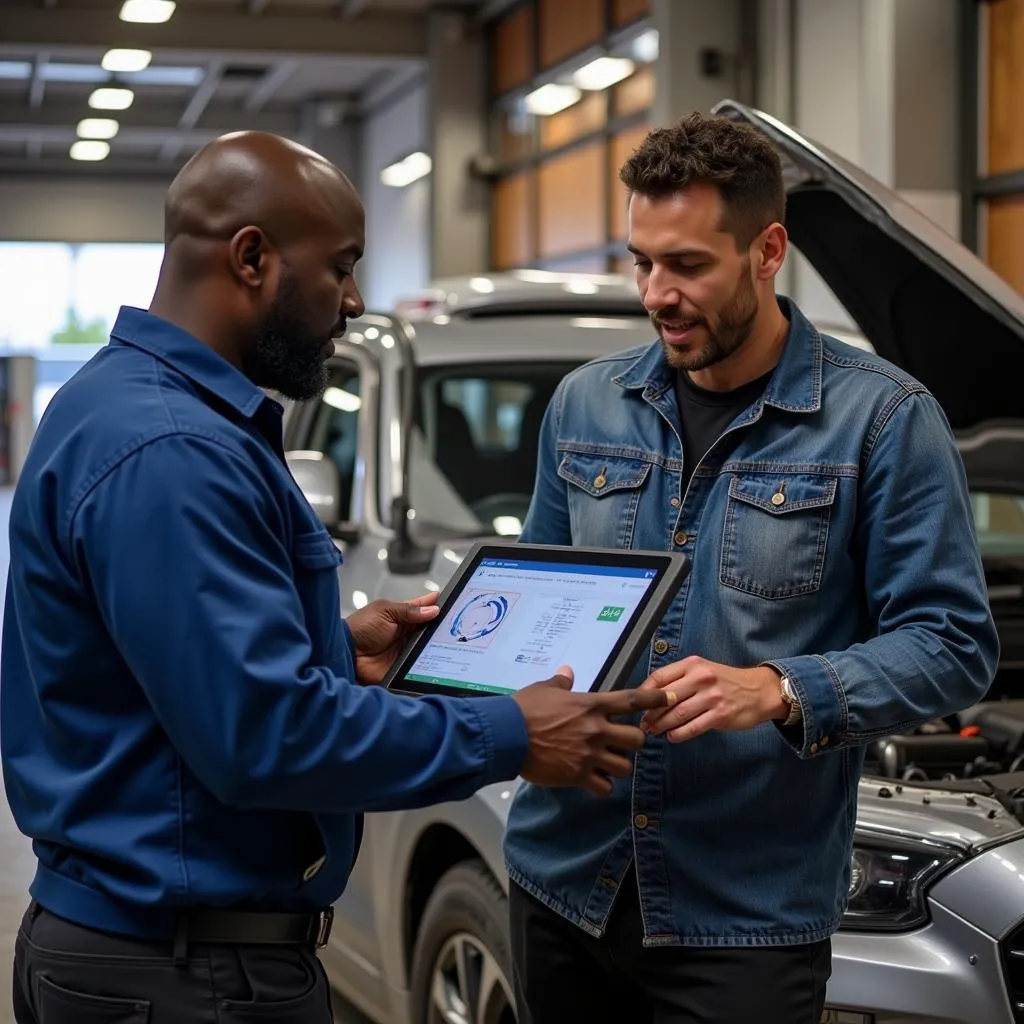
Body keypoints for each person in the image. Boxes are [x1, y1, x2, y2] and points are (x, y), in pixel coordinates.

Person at [0, 131, 669, 1024]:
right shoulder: (175, 450)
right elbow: (263, 739)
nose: (353, 300)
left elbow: (166, 674)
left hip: (162, 955)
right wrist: (509, 733)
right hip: (181, 974)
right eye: (341, 267)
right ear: (251, 258)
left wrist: (328, 646)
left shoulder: (123, 404)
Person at [504, 112, 1000, 1024]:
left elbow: (954, 644)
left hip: (742, 918)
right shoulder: (585, 404)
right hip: (563, 881)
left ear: (768, 250)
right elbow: (543, 599)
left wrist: (780, 687)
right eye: (641, 261)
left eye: (687, 265)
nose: (656, 294)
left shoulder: (882, 421)